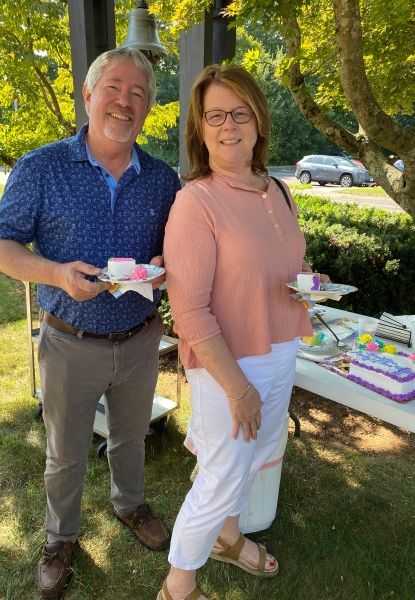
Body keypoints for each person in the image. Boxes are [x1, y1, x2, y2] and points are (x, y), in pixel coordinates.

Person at [0, 47, 180, 599]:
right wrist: (54, 273)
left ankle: (130, 505)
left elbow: (177, 249)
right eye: (113, 88)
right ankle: (60, 539)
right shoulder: (41, 167)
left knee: (131, 437)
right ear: (89, 94)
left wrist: (166, 267)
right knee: (65, 454)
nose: (124, 101)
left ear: (147, 108)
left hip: (140, 339)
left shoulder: (163, 179)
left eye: (137, 93)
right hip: (70, 342)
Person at [160, 64, 328, 600]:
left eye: (240, 112)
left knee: (253, 459)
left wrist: (311, 282)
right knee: (221, 476)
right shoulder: (196, 202)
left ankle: (227, 538)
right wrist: (238, 388)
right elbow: (189, 311)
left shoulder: (277, 188)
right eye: (215, 115)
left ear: (258, 120)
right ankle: (178, 584)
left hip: (280, 348)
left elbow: (281, 263)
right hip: (228, 363)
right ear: (200, 128)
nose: (229, 125)